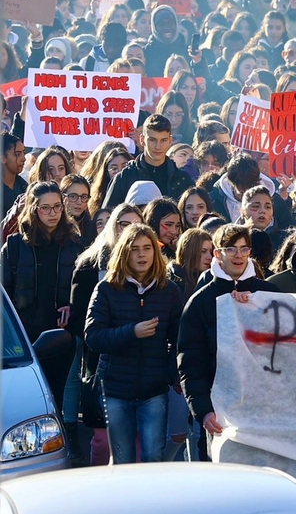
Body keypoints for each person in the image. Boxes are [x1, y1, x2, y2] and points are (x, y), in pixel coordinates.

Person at [85, 223, 185, 464]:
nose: (141, 254)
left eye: (147, 248)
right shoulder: (106, 289)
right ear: (124, 253)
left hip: (154, 389)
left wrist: (171, 374)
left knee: (153, 455)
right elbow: (93, 336)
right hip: (116, 389)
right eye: (134, 249)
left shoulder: (169, 291)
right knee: (123, 458)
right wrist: (132, 332)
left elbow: (180, 339)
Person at [177, 224, 279, 461]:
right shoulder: (200, 302)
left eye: (244, 249)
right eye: (231, 249)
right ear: (217, 254)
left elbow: (284, 351)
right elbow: (190, 363)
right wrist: (202, 411)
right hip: (219, 411)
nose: (239, 256)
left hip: (264, 409)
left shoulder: (269, 294)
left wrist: (254, 310)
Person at [1, 181, 80, 394]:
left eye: (57, 206)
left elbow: (85, 289)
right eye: (45, 208)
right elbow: (4, 292)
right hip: (25, 335)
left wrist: (73, 307)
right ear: (34, 209)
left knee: (57, 393)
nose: (52, 213)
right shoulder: (15, 245)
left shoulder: (75, 244)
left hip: (61, 333)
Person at [102, 115, 196, 209]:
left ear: (170, 141)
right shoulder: (125, 177)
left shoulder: (182, 179)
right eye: (152, 140)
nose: (158, 146)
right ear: (142, 140)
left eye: (163, 140)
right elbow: (108, 217)